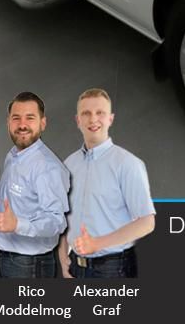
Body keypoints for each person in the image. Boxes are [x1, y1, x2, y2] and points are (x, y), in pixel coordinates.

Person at [60, 89, 155, 279]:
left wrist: (98, 243)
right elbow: (64, 215)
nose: (93, 119)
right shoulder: (68, 165)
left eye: (100, 113)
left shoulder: (127, 164)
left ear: (110, 119)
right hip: (75, 266)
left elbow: (146, 222)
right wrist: (62, 255)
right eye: (86, 113)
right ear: (78, 120)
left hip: (113, 268)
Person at [0, 92, 69, 278]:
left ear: (43, 123)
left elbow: (56, 222)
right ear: (8, 122)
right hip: (8, 258)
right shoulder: (13, 155)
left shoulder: (47, 167)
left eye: (30, 118)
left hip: (29, 266)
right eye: (16, 118)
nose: (22, 125)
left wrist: (18, 224)